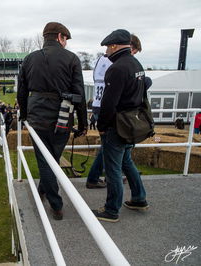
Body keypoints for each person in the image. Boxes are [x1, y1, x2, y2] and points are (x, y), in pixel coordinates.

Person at [17, 22, 87, 220]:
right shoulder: (72, 59)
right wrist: (83, 124)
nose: (66, 43)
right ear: (59, 37)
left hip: (37, 116)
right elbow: (79, 94)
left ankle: (43, 191)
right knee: (51, 160)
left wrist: (23, 114)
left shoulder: (30, 58)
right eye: (65, 39)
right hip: (62, 118)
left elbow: (22, 90)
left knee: (47, 161)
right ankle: (56, 205)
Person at [92, 29, 149, 223]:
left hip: (117, 126)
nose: (106, 51)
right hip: (132, 124)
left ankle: (111, 210)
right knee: (126, 162)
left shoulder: (116, 68)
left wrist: (101, 126)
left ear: (114, 46)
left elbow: (109, 103)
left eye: (108, 47)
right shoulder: (136, 64)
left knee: (113, 169)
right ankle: (139, 198)